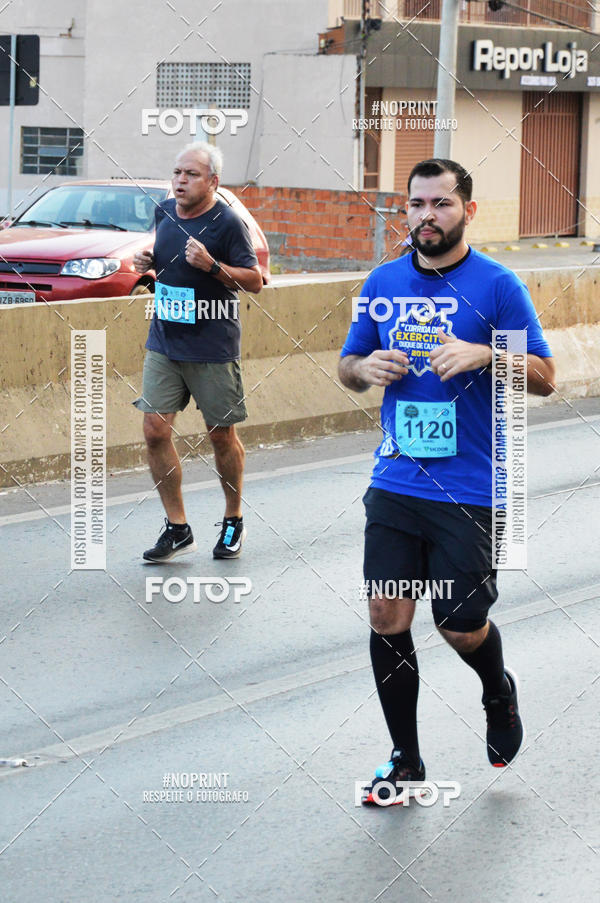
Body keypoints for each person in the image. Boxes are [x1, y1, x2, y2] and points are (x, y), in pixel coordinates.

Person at [338, 158, 554, 805]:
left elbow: (546, 376)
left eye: (441, 204)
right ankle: (406, 761)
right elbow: (347, 364)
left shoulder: (497, 287)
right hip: (397, 479)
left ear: (468, 211)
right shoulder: (383, 282)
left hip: (471, 489)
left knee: (458, 624)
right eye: (416, 204)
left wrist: (488, 353)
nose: (426, 216)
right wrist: (364, 368)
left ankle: (497, 690)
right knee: (386, 613)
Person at [133, 142, 263, 562]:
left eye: (191, 174)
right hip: (165, 340)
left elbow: (255, 281)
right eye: (177, 172)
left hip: (212, 345)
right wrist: (149, 263)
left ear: (213, 181)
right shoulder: (163, 211)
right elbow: (169, 264)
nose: (180, 180)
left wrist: (213, 266)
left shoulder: (228, 223)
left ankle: (233, 519)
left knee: (220, 436)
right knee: (154, 431)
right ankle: (177, 527)